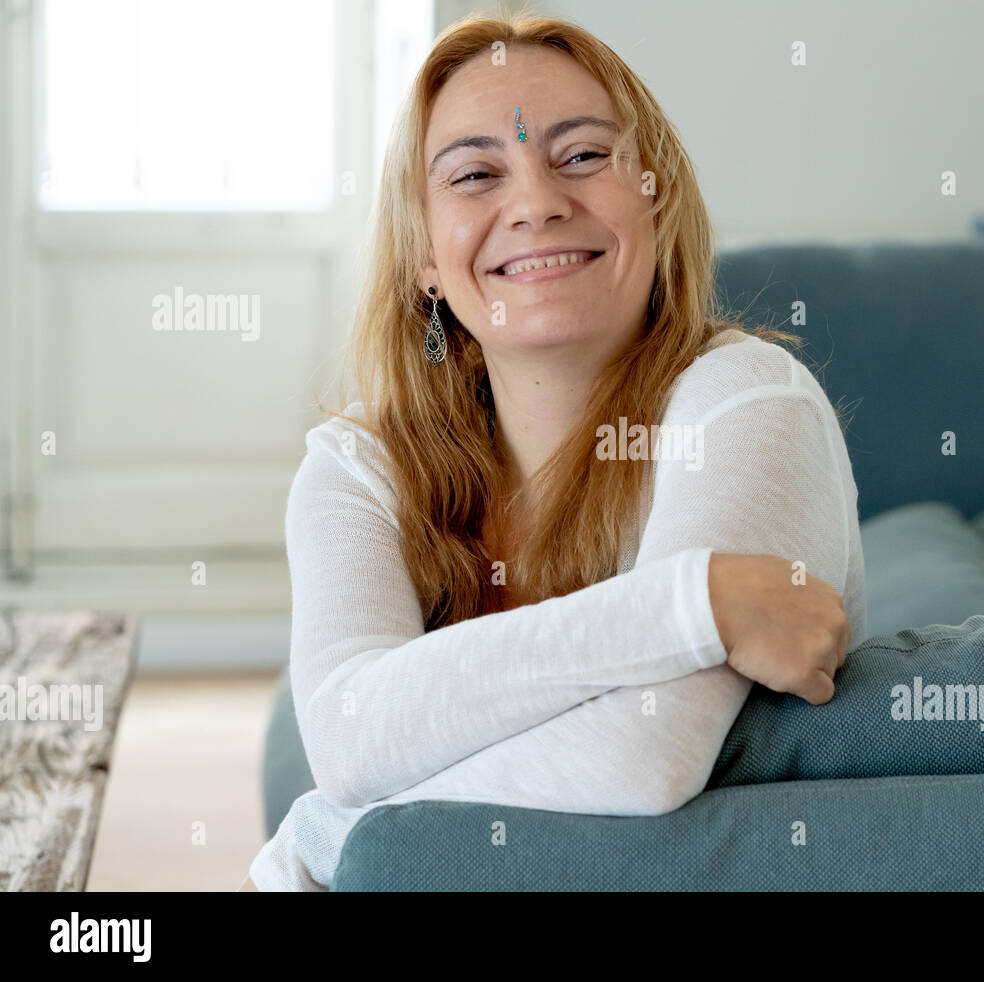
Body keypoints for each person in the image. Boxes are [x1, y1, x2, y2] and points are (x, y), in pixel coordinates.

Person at [242, 12, 866, 891]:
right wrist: (692, 604)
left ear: (654, 192)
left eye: (581, 156)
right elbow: (349, 734)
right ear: (423, 254)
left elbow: (645, 754)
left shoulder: (750, 402)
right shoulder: (357, 470)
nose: (535, 203)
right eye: (474, 174)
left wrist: (326, 835)